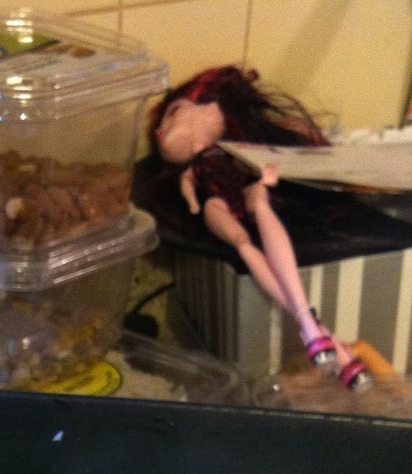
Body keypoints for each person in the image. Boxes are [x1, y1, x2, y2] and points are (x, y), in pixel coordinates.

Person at [150, 66, 371, 390]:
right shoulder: (195, 169)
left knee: (260, 205)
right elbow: (189, 191)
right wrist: (194, 203)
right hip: (217, 202)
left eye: (174, 113)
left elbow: (258, 169)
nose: (162, 131)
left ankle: (310, 327)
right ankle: (322, 337)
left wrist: (265, 179)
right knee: (241, 241)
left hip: (247, 194)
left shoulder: (235, 151)